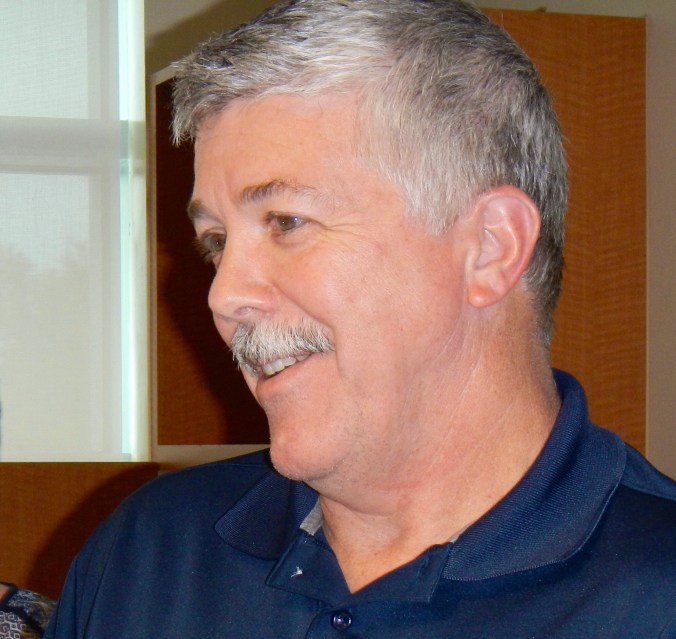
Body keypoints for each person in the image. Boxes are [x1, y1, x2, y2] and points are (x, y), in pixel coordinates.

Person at [46, 1, 676, 637]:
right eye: (216, 242)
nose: (224, 294)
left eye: (286, 222)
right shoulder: (145, 555)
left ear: (490, 247)